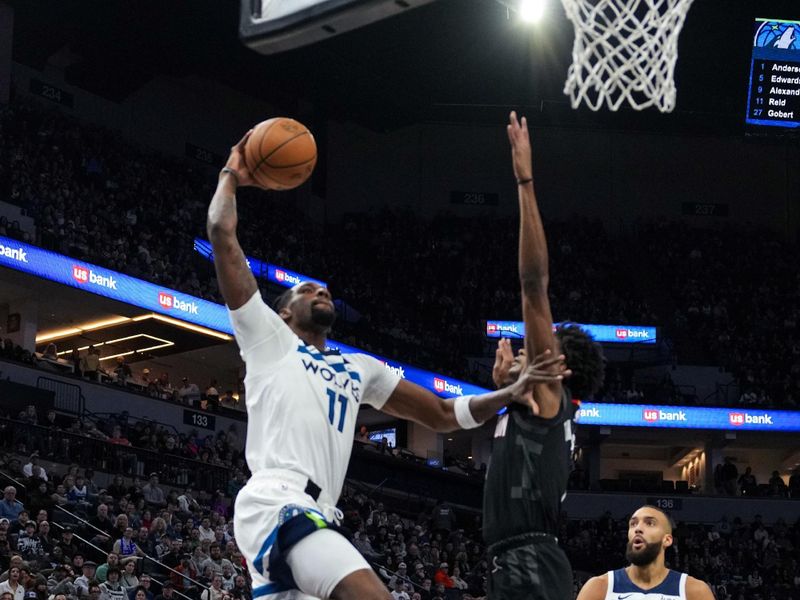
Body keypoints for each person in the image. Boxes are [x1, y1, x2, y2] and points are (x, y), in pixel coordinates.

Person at [207, 131, 562, 600]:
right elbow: (221, 233)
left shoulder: (360, 367)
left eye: (325, 289)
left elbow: (438, 414)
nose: (322, 292)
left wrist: (504, 397)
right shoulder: (268, 340)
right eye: (308, 290)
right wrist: (231, 173)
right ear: (284, 312)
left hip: (320, 512)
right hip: (278, 502)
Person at [482, 112, 606, 600]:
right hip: (521, 560)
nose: (534, 344)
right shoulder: (539, 407)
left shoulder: (550, 390)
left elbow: (534, 286)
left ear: (559, 366)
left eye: (545, 343)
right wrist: (504, 388)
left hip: (528, 561)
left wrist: (524, 180)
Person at [576, 505, 714, 600]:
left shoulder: (694, 591)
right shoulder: (599, 588)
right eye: (633, 524)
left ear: (667, 540)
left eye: (650, 523)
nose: (638, 529)